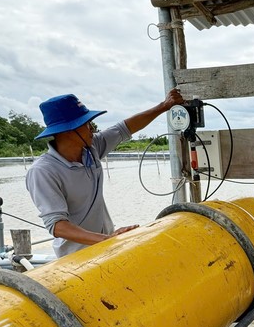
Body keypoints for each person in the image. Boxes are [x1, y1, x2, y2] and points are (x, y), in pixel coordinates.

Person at [26, 89, 185, 257]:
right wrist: (107, 239)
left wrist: (164, 106)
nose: (92, 129)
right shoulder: (43, 171)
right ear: (67, 131)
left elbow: (125, 128)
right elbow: (58, 226)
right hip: (75, 257)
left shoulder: (91, 149)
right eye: (87, 124)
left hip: (105, 247)